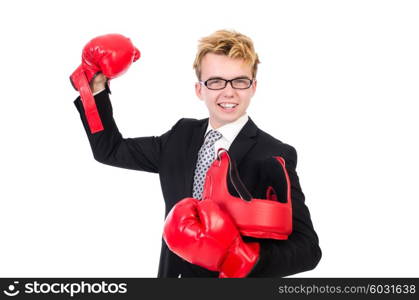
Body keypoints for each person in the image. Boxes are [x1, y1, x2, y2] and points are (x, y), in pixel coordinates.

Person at [72, 29, 322, 277]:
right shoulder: (181, 136)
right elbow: (110, 150)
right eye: (215, 81)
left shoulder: (273, 153)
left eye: (240, 81)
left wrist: (242, 257)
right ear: (199, 89)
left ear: (253, 87)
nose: (228, 91)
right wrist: (94, 84)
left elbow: (307, 248)